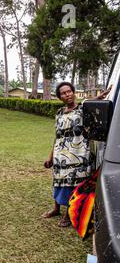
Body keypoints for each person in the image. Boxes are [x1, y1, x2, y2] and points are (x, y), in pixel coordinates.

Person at [42, 82, 109, 227]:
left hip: (78, 152)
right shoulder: (59, 113)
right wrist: (50, 157)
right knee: (58, 180)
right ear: (60, 97)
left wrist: (100, 96)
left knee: (73, 183)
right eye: (64, 93)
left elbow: (91, 103)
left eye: (69, 91)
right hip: (60, 153)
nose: (68, 95)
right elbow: (57, 136)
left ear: (73, 92)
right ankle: (56, 209)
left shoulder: (82, 109)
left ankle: (67, 214)